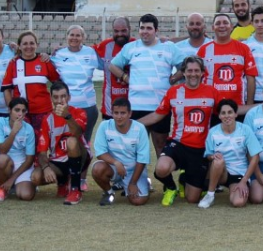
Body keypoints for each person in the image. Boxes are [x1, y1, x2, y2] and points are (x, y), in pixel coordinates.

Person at [136, 56, 218, 206]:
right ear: (183, 73)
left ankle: (184, 178)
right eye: (189, 71)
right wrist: (132, 124)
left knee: (192, 199)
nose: (193, 74)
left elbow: (225, 114)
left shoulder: (211, 92)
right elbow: (157, 115)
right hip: (178, 144)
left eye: (197, 71)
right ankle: (171, 187)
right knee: (161, 169)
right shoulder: (173, 92)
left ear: (202, 73)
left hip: (200, 148)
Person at [108, 14, 180, 157]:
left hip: (160, 106)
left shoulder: (168, 47)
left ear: (156, 30)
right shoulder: (131, 47)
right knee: (135, 148)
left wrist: (174, 78)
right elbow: (113, 65)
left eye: (149, 28)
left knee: (160, 146)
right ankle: (138, 179)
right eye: (142, 28)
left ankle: (162, 177)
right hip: (136, 106)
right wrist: (125, 77)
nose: (145, 31)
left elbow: (185, 65)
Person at [31, 81, 91, 205]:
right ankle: (62, 181)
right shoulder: (47, 119)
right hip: (58, 161)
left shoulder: (79, 112)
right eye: (56, 97)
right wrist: (46, 167)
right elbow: (42, 153)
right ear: (51, 98)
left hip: (80, 156)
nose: (60, 100)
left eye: (63, 96)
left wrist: (67, 116)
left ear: (69, 97)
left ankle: (75, 190)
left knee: (71, 141)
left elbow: (78, 133)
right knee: (36, 177)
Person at [1, 30, 60, 145]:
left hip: (43, 111)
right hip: (21, 113)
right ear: (19, 46)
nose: (29, 46)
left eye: (32, 43)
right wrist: (12, 109)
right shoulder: (13, 63)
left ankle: (41, 163)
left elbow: (57, 84)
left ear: (37, 45)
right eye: (25, 43)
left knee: (41, 143)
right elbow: (6, 89)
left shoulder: (44, 61)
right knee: (22, 143)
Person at [202, 99, 263, 209]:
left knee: (238, 202)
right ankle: (210, 195)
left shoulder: (245, 130)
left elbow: (255, 157)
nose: (227, 116)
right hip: (221, 172)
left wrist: (244, 181)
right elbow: (208, 155)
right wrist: (212, 156)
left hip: (238, 173)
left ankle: (240, 188)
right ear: (219, 116)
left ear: (235, 114)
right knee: (218, 161)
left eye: (230, 112)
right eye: (223, 113)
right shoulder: (213, 132)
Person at [91, 97, 151, 206]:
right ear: (112, 113)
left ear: (129, 113)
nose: (119, 117)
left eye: (123, 113)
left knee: (138, 201)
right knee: (97, 168)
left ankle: (144, 182)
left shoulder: (140, 128)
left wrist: (133, 183)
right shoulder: (104, 126)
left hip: (134, 170)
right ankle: (109, 192)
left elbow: (142, 160)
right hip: (115, 168)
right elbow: (100, 152)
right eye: (116, 113)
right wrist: (116, 163)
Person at [198, 13, 259, 114]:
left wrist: (249, 104)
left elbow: (251, 78)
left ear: (231, 27)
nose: (222, 26)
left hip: (237, 108)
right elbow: (198, 78)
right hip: (211, 108)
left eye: (225, 23)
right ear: (213, 28)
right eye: (218, 23)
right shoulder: (203, 50)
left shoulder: (243, 48)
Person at [51, 25, 100, 143]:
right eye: (71, 35)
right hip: (67, 107)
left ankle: (84, 162)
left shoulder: (90, 52)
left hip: (88, 106)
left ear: (83, 37)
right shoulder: (59, 54)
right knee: (67, 142)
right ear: (67, 36)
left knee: (85, 142)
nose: (74, 38)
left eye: (78, 35)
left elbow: (107, 65)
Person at [0, 96, 37, 202]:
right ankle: (2, 188)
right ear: (9, 110)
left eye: (23, 111)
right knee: (2, 159)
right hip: (4, 163)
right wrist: (14, 132)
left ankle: (15, 183)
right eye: (17, 110)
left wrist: (12, 179)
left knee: (26, 196)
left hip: (21, 165)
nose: (20, 114)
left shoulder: (29, 128)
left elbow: (29, 159)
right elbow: (2, 151)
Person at [94, 17, 134, 121]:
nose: (120, 34)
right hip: (109, 108)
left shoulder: (137, 45)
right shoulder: (105, 46)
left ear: (129, 29)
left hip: (134, 107)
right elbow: (81, 51)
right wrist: (61, 51)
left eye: (123, 30)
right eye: (116, 31)